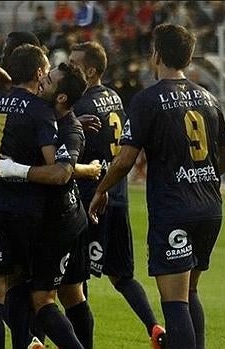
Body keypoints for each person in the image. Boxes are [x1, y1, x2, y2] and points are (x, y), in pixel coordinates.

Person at [89, 24, 225, 349]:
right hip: (210, 208)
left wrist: (101, 190)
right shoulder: (209, 99)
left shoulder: (148, 100)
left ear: (156, 54)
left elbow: (125, 160)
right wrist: (201, 175)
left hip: (174, 209)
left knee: (174, 302)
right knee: (190, 292)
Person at [0, 62, 97, 349]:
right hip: (56, 218)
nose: (41, 81)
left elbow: (61, 173)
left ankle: (33, 342)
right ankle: (33, 342)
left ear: (61, 97)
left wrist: (15, 169)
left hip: (57, 223)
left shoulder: (70, 128)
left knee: (41, 298)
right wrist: (87, 169)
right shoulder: (44, 113)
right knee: (69, 293)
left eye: (48, 80)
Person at [68, 41, 166, 348]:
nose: (69, 67)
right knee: (122, 275)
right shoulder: (113, 97)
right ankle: (154, 328)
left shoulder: (81, 105)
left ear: (91, 70)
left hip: (91, 199)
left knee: (75, 282)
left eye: (74, 63)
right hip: (119, 197)